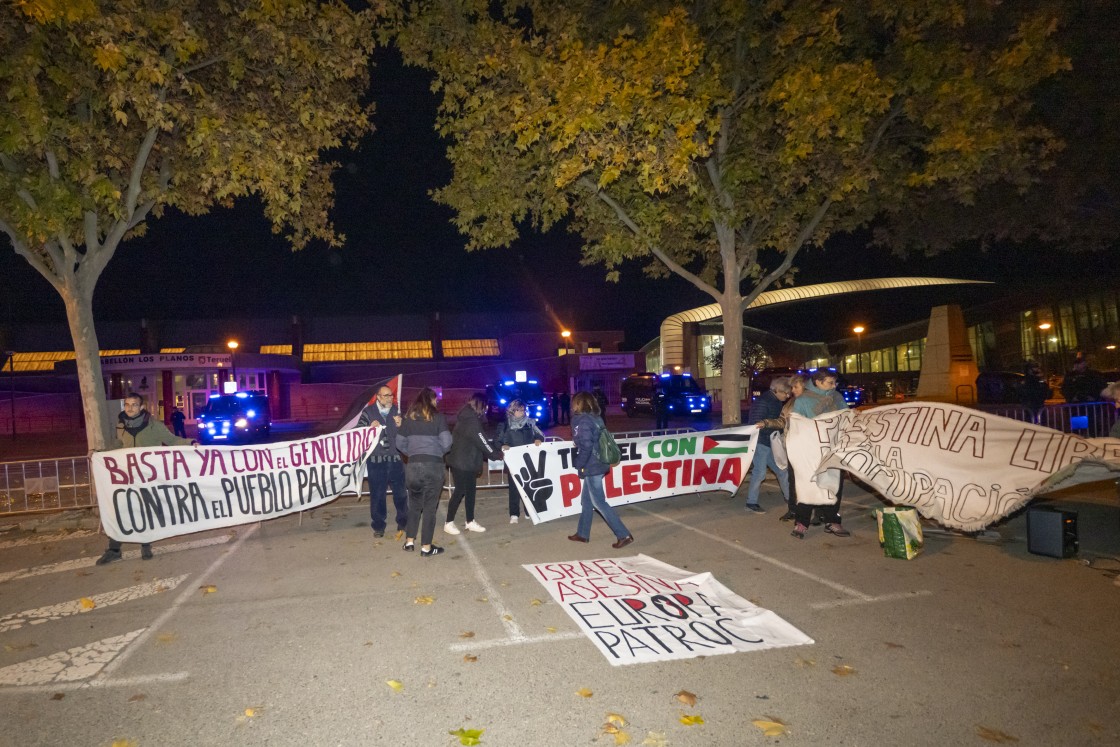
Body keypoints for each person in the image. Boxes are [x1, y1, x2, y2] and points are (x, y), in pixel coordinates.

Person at [97, 393, 194, 565]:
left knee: (144, 511)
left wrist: (190, 443)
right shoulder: (121, 426)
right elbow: (119, 444)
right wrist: (100, 453)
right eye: (127, 404)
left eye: (134, 405)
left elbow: (172, 441)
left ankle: (145, 545)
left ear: (142, 407)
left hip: (148, 477)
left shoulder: (154, 425)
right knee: (119, 511)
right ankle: (114, 550)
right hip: (126, 476)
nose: (129, 408)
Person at [789, 370, 850, 540]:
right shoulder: (803, 400)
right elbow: (797, 425)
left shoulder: (837, 397)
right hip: (810, 451)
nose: (834, 386)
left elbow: (845, 418)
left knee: (833, 485)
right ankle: (801, 523)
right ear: (818, 382)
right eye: (830, 382)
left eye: (834, 383)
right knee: (807, 485)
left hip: (833, 449)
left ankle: (832, 520)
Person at [567, 391, 633, 548]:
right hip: (599, 462)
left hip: (592, 465)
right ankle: (583, 534)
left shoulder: (581, 421)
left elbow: (586, 446)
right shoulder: (595, 418)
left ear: (578, 404)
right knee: (587, 501)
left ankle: (623, 534)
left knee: (599, 502)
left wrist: (579, 463)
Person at [395, 388, 452, 557]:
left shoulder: (408, 420)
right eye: (435, 400)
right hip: (433, 466)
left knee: (414, 506)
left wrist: (413, 453)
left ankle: (409, 541)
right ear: (431, 401)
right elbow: (447, 443)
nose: (436, 403)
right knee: (429, 508)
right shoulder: (439, 418)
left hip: (413, 466)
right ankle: (426, 547)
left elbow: (399, 444)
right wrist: (436, 452)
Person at [356, 385, 408, 538]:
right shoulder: (368, 412)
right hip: (376, 461)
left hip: (395, 459)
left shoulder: (396, 411)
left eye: (391, 395)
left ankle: (403, 522)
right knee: (378, 495)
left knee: (400, 493)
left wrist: (401, 425)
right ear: (378, 397)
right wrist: (368, 428)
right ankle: (379, 526)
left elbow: (404, 434)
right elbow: (358, 433)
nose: (390, 398)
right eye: (386, 396)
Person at [444, 393, 500, 535]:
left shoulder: (468, 417)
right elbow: (482, 440)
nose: (486, 409)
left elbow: (480, 440)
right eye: (485, 406)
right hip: (462, 462)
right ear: (481, 405)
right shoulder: (471, 421)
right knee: (460, 491)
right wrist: (497, 455)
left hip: (465, 461)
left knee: (470, 492)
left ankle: (470, 521)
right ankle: (448, 522)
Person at [745, 377, 793, 514]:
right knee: (760, 473)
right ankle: (751, 502)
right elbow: (756, 423)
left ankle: (790, 499)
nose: (788, 396)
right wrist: (775, 427)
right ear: (777, 390)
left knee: (782, 471)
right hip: (762, 442)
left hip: (769, 442)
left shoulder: (772, 400)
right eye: (786, 393)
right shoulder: (765, 401)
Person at [497, 399, 545, 523]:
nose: (522, 412)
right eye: (519, 410)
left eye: (523, 410)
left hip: (528, 461)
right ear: (512, 411)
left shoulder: (529, 423)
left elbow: (540, 434)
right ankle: (514, 514)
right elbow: (498, 440)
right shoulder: (505, 424)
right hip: (513, 461)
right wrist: (503, 446)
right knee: (514, 488)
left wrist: (538, 439)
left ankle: (529, 511)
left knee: (529, 486)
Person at [1018, 360, 1051, 424]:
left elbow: (1045, 390)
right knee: (1032, 423)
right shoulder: (1027, 380)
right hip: (1031, 405)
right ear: (1030, 369)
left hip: (1039, 405)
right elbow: (1024, 392)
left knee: (1041, 423)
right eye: (1035, 367)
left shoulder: (1039, 379)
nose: (1038, 369)